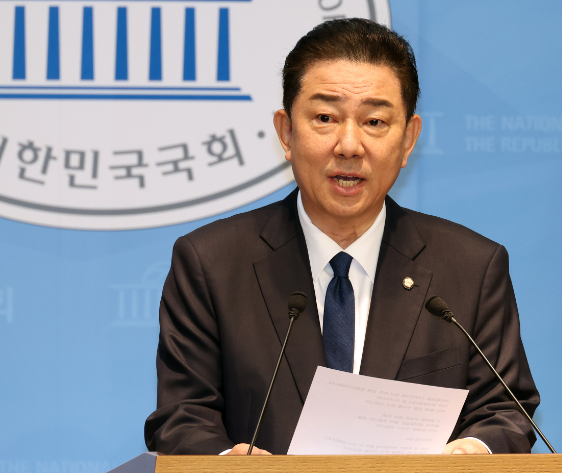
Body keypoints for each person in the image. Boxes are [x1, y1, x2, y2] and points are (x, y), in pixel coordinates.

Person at [144, 18, 539, 456]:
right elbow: (181, 417)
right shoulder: (210, 263)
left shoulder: (471, 267)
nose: (349, 145)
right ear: (286, 132)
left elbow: (504, 409)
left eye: (374, 121)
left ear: (408, 140)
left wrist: (473, 452)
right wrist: (228, 463)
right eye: (325, 118)